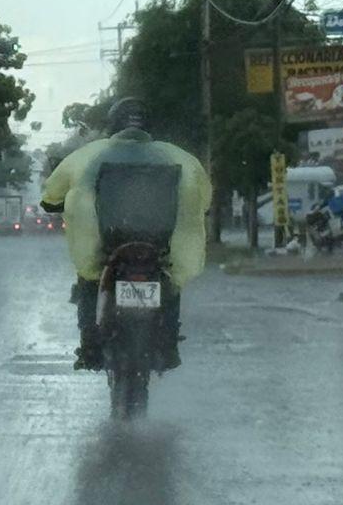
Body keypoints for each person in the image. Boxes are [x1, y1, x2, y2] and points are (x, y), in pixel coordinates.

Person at [39, 98, 213, 370]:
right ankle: (168, 347)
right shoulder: (177, 156)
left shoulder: (89, 155)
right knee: (170, 280)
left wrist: (54, 203)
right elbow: (203, 197)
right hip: (157, 245)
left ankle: (90, 346)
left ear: (112, 125)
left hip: (108, 245)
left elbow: (52, 194)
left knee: (88, 281)